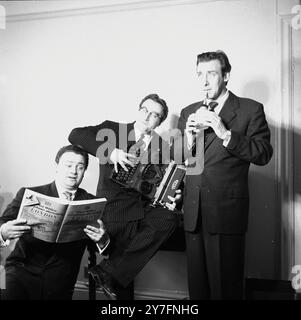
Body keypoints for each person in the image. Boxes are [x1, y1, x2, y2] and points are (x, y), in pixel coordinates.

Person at [176, 50, 273, 299]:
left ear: (226, 75)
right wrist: (186, 140)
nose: (204, 81)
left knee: (225, 290)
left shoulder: (250, 110)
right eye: (200, 74)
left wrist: (224, 132)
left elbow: (263, 154)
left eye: (211, 73)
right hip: (193, 212)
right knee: (197, 289)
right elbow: (179, 160)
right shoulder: (188, 112)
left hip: (226, 212)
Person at [68, 93, 180, 300]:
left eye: (155, 115)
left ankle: (108, 271)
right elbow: (75, 135)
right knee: (122, 286)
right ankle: (110, 274)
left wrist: (171, 196)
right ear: (139, 110)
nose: (148, 116)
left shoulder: (163, 147)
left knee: (170, 217)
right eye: (145, 110)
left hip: (142, 212)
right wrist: (111, 153)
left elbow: (161, 183)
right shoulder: (112, 130)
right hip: (113, 212)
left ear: (159, 122)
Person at [0, 145, 109, 300]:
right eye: (69, 165)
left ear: (84, 172)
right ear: (57, 166)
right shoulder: (29, 193)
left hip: (61, 280)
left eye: (80, 167)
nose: (73, 171)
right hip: (20, 273)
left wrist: (102, 239)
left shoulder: (93, 203)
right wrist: (3, 231)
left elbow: (98, 247)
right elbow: (2, 223)